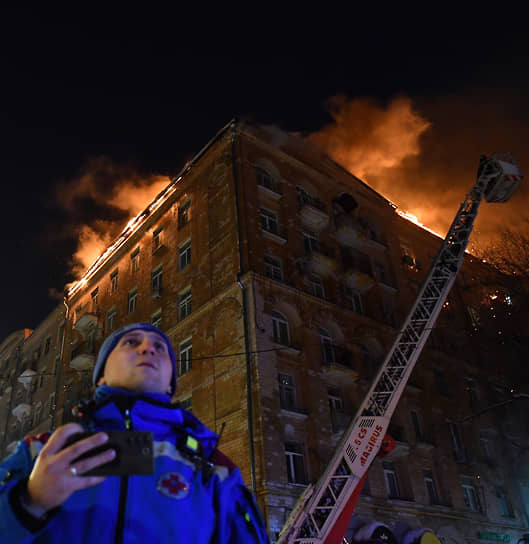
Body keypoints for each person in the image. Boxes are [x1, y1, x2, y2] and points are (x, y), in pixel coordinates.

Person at [0, 323, 270, 543]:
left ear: (169, 385)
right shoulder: (45, 450)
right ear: (101, 377)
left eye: (160, 347)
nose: (147, 348)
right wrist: (28, 503)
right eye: (131, 342)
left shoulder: (211, 465)